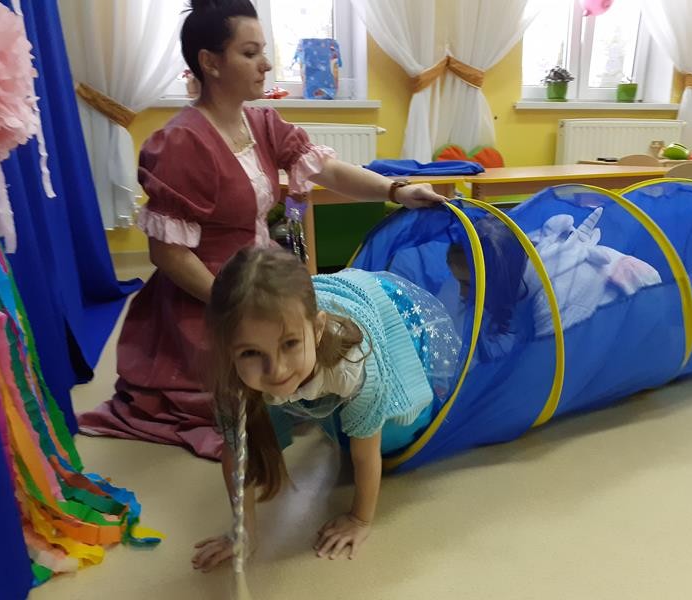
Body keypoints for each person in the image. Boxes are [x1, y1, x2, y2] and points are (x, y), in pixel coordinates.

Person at [77, 0, 445, 458]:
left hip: (261, 277)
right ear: (211, 62)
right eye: (250, 53)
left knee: (313, 354)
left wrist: (397, 190)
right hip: (209, 294)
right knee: (252, 385)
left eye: (263, 51)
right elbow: (168, 254)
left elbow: (328, 171)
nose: (266, 64)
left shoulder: (261, 123)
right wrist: (233, 306)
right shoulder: (179, 143)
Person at [194, 247, 460, 569]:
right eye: (250, 353)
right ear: (228, 350)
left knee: (392, 433)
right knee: (282, 401)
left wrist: (360, 519)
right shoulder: (232, 384)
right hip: (313, 324)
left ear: (318, 329)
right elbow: (238, 457)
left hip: (375, 304)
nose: (276, 370)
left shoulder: (353, 365)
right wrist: (243, 531)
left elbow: (366, 453)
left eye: (290, 344)